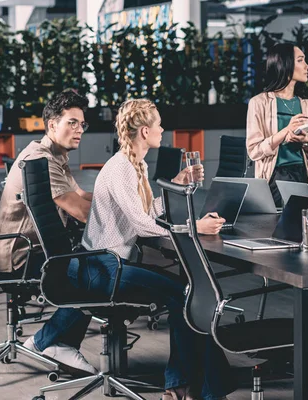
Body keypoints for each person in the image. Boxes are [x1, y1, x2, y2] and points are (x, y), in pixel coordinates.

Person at [67, 98, 233, 400]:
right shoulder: (122, 169)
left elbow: (145, 212)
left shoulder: (135, 164)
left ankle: (188, 385)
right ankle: (187, 387)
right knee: (187, 294)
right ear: (144, 131)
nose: (163, 129)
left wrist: (176, 182)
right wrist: (196, 228)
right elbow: (142, 226)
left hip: (105, 263)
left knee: (188, 289)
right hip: (101, 268)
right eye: (158, 124)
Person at [0, 90, 97, 376]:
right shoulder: (41, 159)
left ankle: (61, 345)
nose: (79, 131)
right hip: (20, 255)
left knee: (93, 264)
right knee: (96, 272)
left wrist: (123, 202)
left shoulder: (54, 154)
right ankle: (46, 341)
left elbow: (82, 195)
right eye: (72, 123)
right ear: (52, 125)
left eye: (82, 124)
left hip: (28, 248)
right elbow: (81, 212)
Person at [246, 43, 308, 206]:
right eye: (301, 60)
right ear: (285, 65)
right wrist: (285, 132)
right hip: (274, 178)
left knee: (307, 225)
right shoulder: (259, 103)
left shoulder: (307, 105)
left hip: (303, 176)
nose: (307, 66)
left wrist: (306, 142)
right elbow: (254, 151)